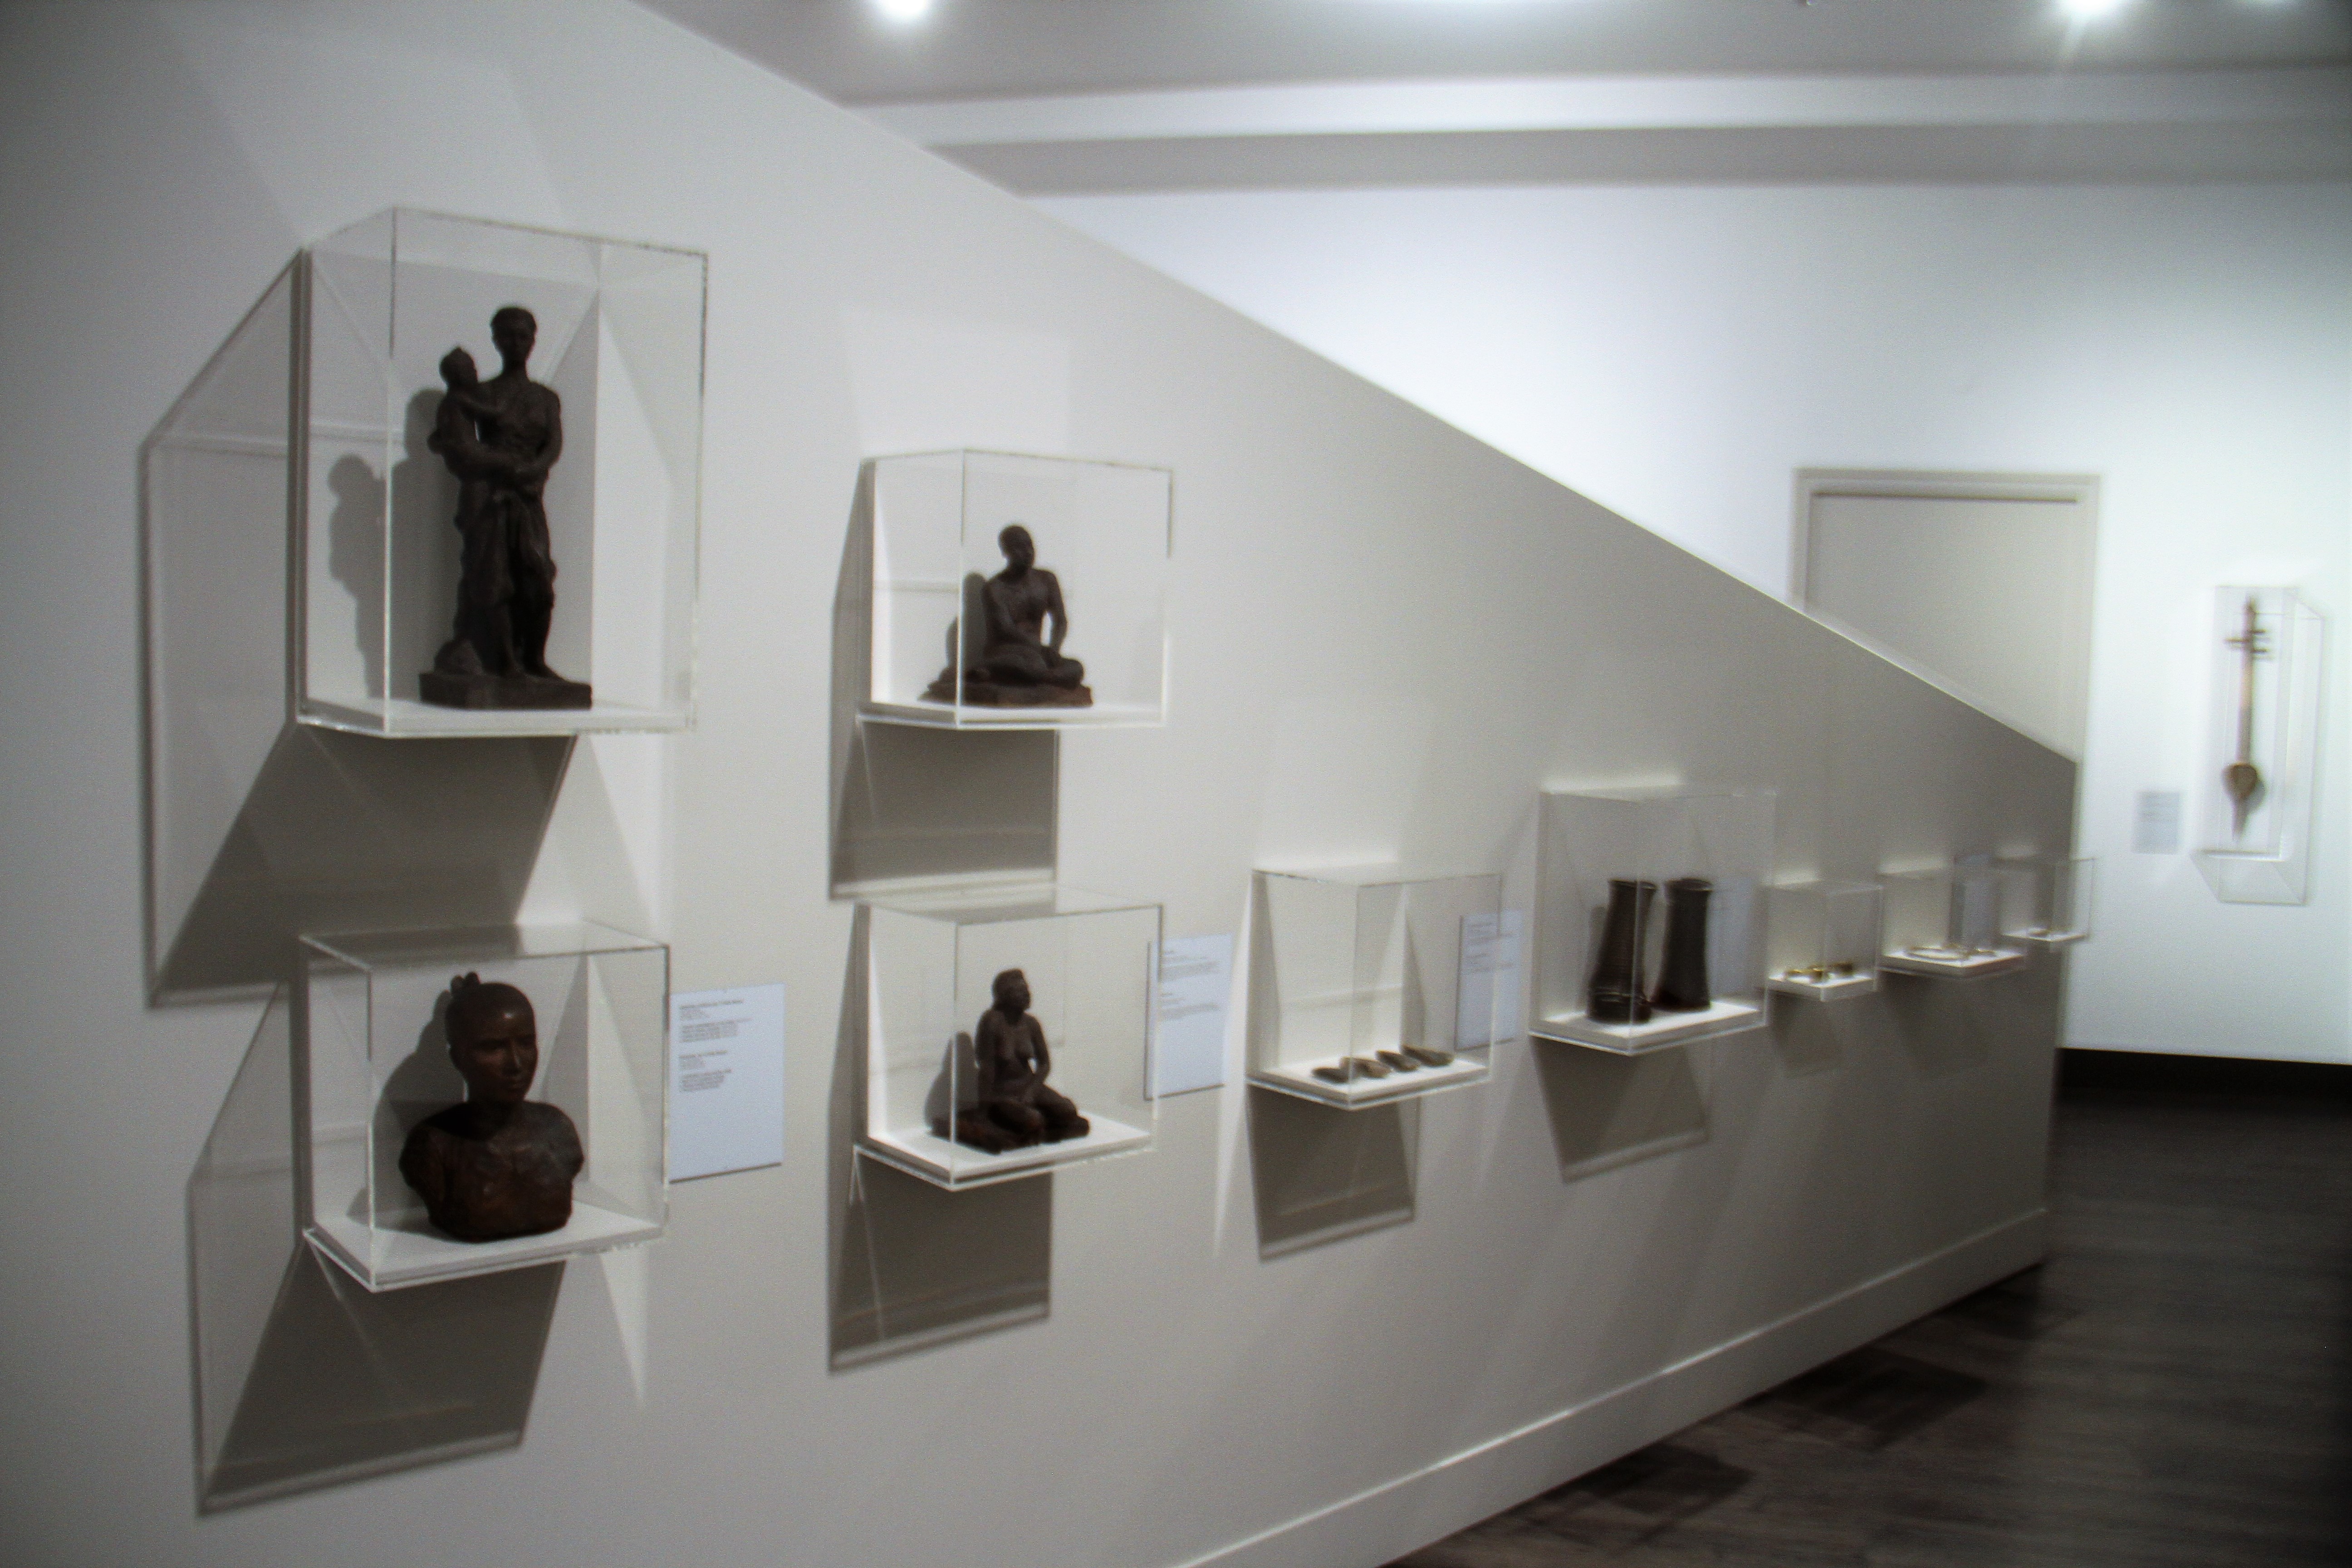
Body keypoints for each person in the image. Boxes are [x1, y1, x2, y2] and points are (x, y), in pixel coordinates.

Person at [422, 305, 583, 704]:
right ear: (495, 341)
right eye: (507, 336)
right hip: (492, 501)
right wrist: (498, 466)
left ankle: (535, 660)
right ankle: (507, 662)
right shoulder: (482, 394)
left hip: (527, 497)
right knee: (494, 579)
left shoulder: (546, 398)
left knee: (539, 578)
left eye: (523, 335)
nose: (516, 343)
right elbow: (455, 440)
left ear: (533, 340)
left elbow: (553, 447)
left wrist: (530, 471)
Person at [399, 973, 583, 1242]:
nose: (516, 1064)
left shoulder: (559, 1130)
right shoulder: (432, 1146)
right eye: (493, 1048)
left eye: (526, 1043)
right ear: (458, 1058)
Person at [925, 524, 1091, 706]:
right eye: (1019, 548)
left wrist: (1054, 649)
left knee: (1076, 668)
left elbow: (1060, 620)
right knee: (1031, 665)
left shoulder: (1047, 580)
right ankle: (995, 670)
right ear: (1006, 552)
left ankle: (996, 674)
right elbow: (1007, 629)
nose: (1027, 552)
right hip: (1007, 651)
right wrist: (1041, 650)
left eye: (1029, 545)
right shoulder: (995, 588)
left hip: (1038, 654)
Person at [937, 968, 1090, 1153]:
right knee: (1034, 1120)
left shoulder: (1031, 1024)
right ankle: (1012, 1121)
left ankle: (1037, 1121)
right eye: (1020, 991)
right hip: (1003, 1094)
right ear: (1004, 996)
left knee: (1068, 1111)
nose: (1028, 995)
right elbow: (987, 1070)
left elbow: (1044, 1064)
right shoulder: (992, 1022)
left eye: (1027, 990)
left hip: (1029, 1087)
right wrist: (983, 1111)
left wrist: (1032, 1092)